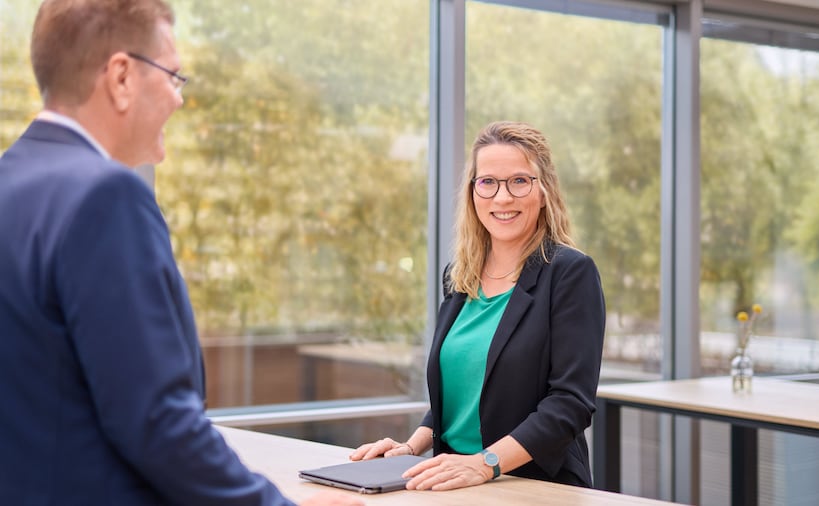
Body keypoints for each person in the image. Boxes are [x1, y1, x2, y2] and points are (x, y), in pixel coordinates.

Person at [0, 1, 362, 505]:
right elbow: (158, 424)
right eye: (173, 76)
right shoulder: (106, 197)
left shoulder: (11, 183)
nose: (179, 98)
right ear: (121, 77)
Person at [350, 121, 606, 490]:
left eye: (519, 181)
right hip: (454, 483)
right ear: (473, 192)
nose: (502, 198)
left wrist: (484, 464)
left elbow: (570, 404)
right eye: (488, 182)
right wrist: (409, 448)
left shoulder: (570, 273)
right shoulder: (459, 276)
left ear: (544, 191)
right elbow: (463, 396)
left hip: (533, 486)